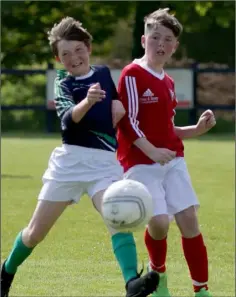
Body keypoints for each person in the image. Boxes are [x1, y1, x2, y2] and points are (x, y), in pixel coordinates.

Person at [1, 17, 159, 297]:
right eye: (65, 54)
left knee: (117, 216)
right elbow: (67, 120)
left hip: (103, 165)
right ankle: (6, 272)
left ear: (88, 47)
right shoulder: (63, 81)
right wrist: (88, 100)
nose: (73, 58)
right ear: (57, 58)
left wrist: (118, 105)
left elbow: (118, 102)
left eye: (78, 50)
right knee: (35, 233)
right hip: (69, 165)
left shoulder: (102, 73)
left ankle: (131, 283)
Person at [117, 8, 216, 297]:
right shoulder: (132, 74)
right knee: (159, 224)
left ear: (174, 47)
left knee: (189, 222)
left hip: (172, 160)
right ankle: (158, 277)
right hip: (140, 162)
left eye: (167, 39)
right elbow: (128, 122)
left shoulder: (168, 82)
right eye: (155, 36)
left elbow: (168, 128)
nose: (160, 43)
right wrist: (151, 150)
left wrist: (196, 130)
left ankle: (201, 290)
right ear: (143, 39)